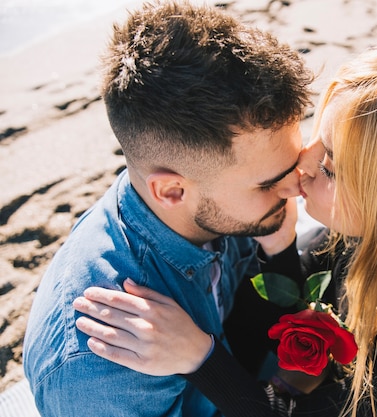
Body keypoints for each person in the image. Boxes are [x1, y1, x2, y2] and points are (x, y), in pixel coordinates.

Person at [72, 44, 377, 417]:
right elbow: (288, 315)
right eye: (316, 138)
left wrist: (200, 359)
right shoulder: (353, 240)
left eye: (329, 166)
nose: (300, 168)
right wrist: (279, 248)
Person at [22, 1, 313, 416]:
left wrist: (279, 249)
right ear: (172, 191)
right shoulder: (101, 366)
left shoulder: (206, 210)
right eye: (269, 183)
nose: (294, 189)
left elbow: (252, 331)